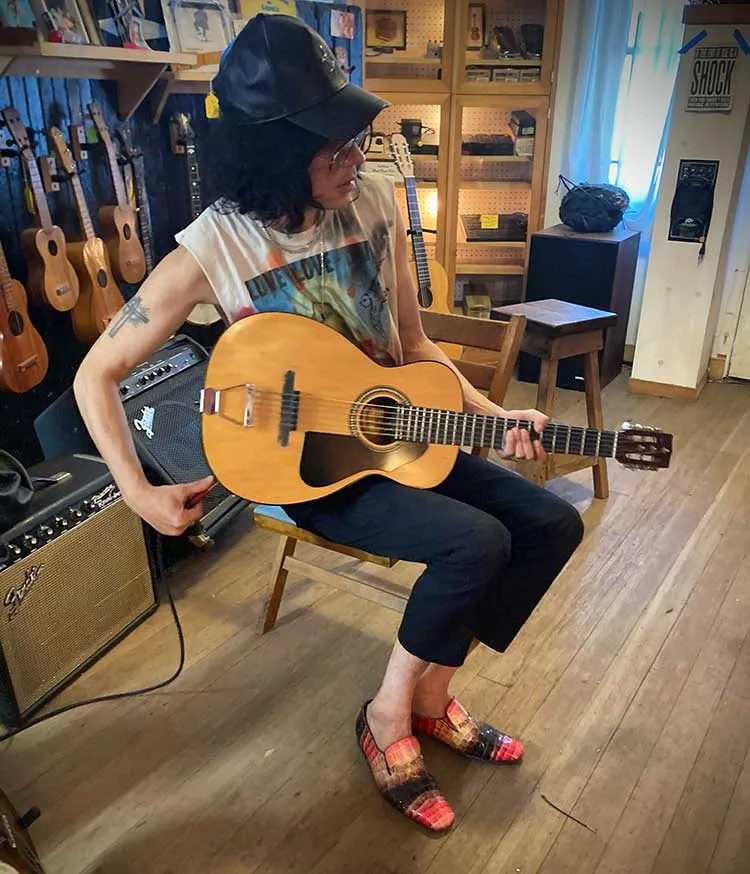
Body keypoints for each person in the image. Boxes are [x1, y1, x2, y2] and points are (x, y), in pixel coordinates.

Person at [73, 14, 584, 834]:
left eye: (356, 141)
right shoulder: (214, 249)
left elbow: (412, 345)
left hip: (402, 433)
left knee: (551, 523)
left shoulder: (376, 202)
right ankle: (387, 719)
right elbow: (95, 371)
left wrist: (495, 415)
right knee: (475, 542)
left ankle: (429, 696)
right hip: (311, 467)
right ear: (273, 150)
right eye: (333, 148)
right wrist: (138, 494)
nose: (357, 160)